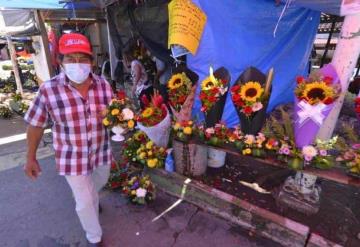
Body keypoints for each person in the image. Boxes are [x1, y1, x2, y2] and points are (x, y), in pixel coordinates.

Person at [24, 33, 113, 247]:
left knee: (98, 184)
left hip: (101, 150)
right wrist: (30, 158)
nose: (77, 64)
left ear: (92, 61)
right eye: (70, 58)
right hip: (71, 156)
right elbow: (35, 124)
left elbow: (116, 114)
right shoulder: (48, 90)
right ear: (60, 61)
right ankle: (95, 237)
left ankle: (92, 199)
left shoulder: (103, 85)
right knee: (84, 202)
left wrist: (113, 117)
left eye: (83, 58)